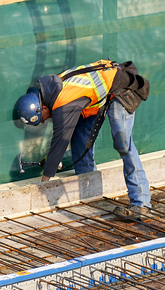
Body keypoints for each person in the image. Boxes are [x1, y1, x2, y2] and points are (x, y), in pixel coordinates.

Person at [14, 59, 152, 221]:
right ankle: (89, 184)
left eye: (41, 119)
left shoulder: (62, 102)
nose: (43, 122)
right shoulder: (54, 89)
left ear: (43, 107)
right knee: (79, 131)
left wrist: (44, 183)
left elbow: (60, 142)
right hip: (101, 95)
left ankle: (141, 203)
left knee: (122, 143)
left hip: (122, 89)